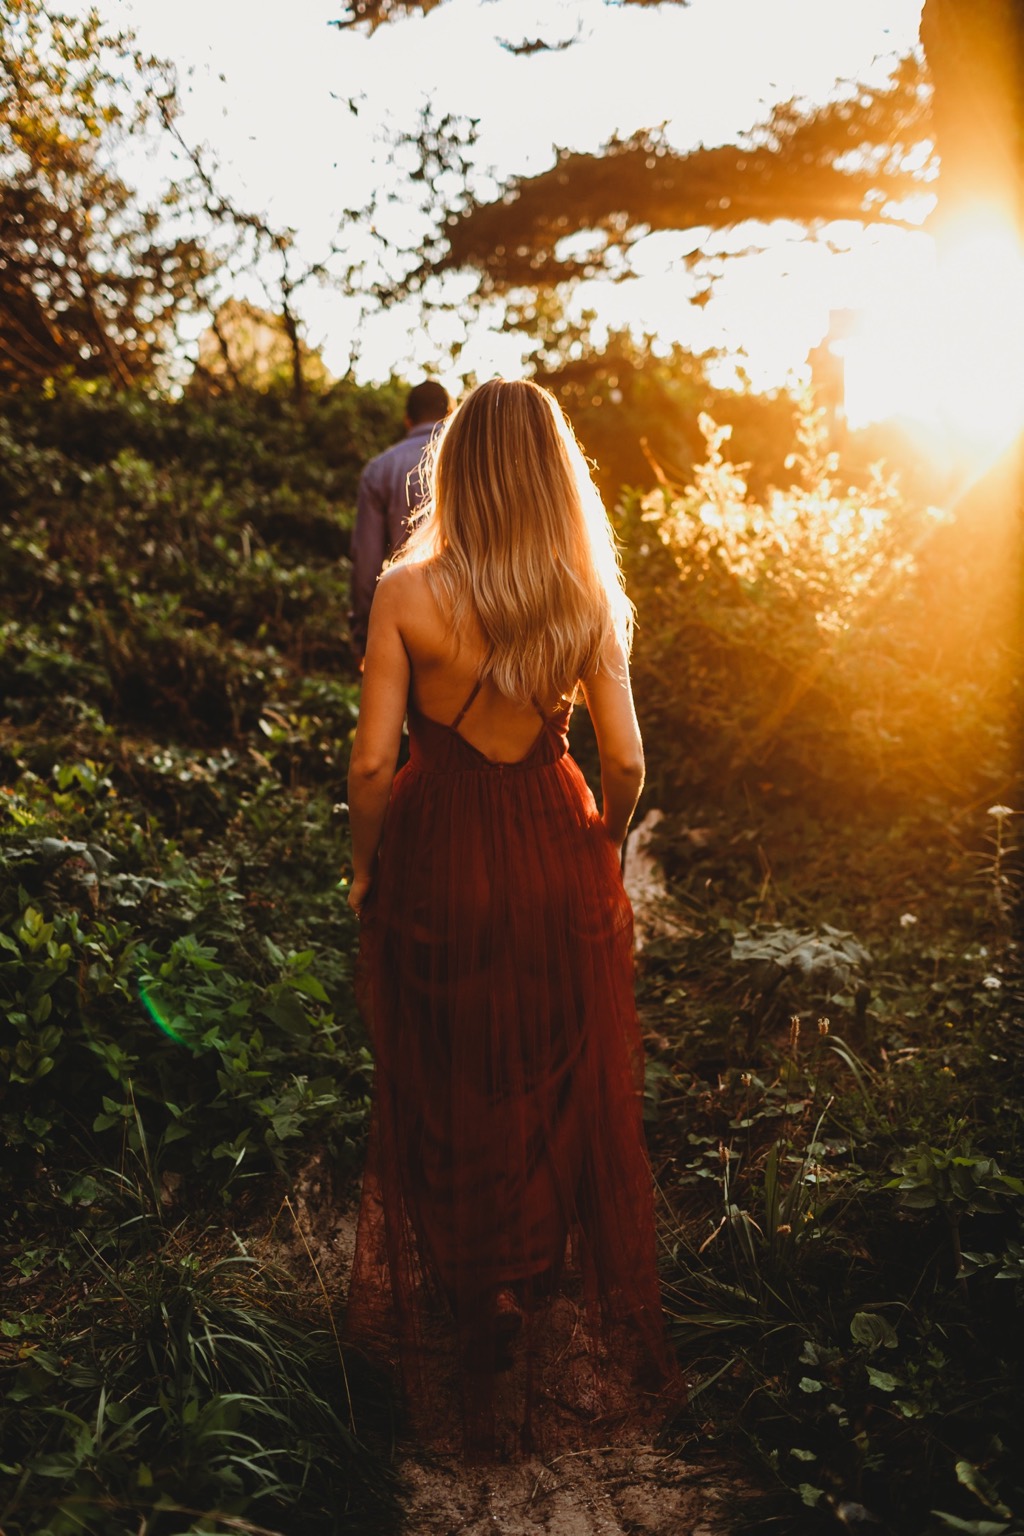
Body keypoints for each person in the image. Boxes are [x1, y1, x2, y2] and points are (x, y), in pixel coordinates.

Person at [344, 378, 677, 1460]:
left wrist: (363, 871)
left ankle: (475, 1280)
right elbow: (622, 759)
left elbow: (370, 765)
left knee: (444, 1062)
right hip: (546, 834)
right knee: (542, 1058)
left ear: (455, 468)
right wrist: (606, 844)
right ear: (552, 469)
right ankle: (528, 1271)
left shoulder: (404, 590)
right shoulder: (581, 594)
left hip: (439, 843)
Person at [348, 378, 451, 660]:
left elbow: (366, 564)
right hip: (472, 621)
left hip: (405, 622)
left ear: (407, 420)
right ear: (451, 414)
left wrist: (364, 638)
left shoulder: (379, 470)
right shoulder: (477, 461)